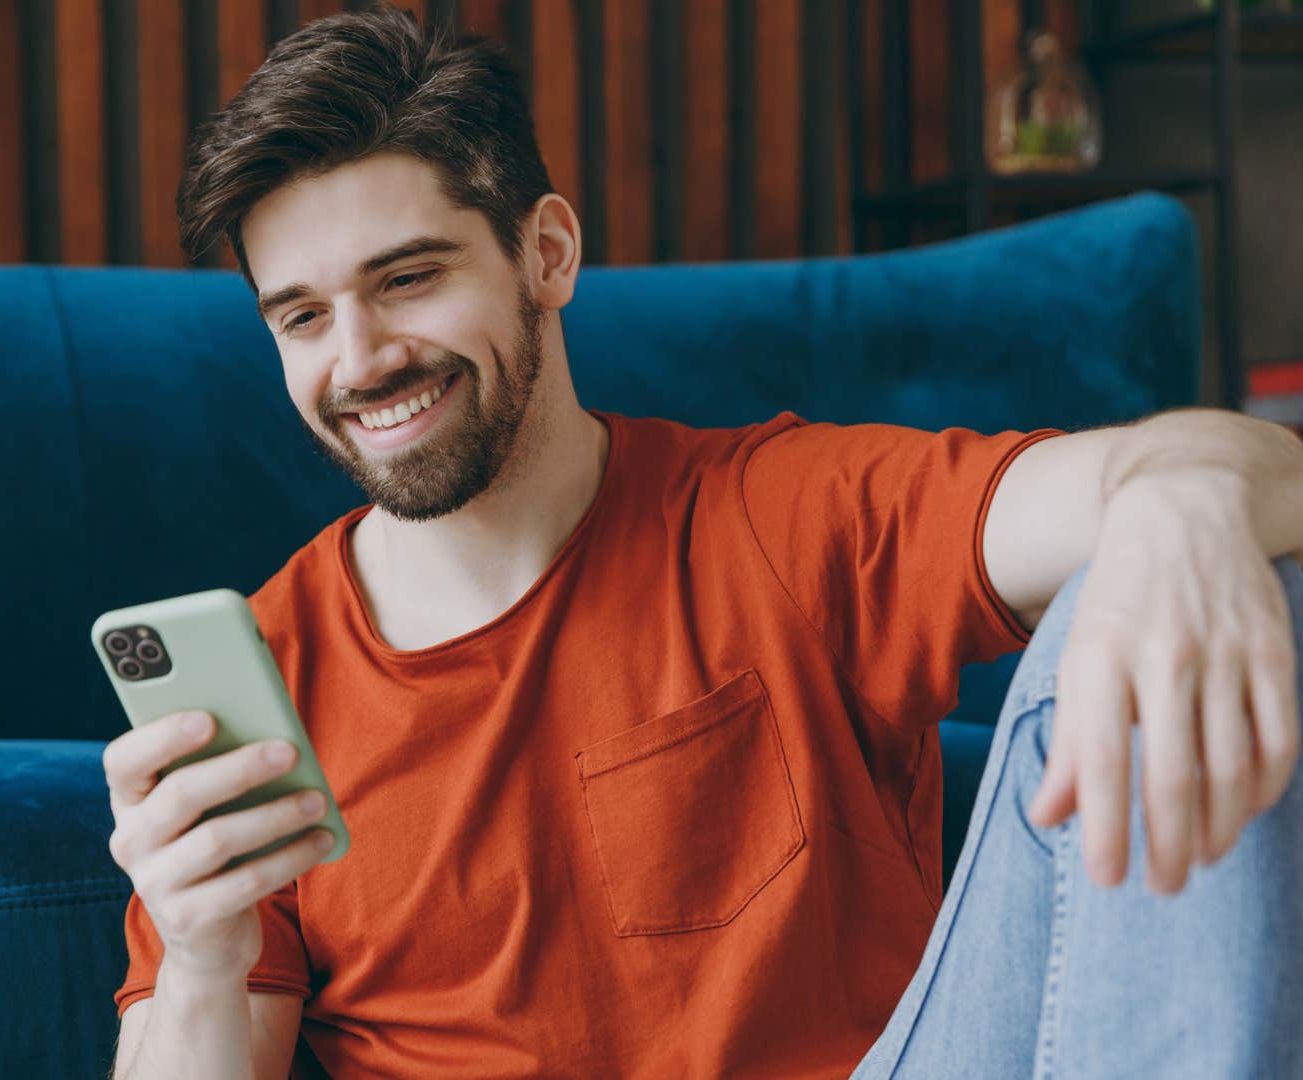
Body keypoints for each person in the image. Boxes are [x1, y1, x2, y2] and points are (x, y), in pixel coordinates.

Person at [100, 6, 1303, 1077]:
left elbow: (1248, 468)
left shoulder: (774, 515)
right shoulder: (261, 687)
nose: (358, 361)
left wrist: (1182, 516)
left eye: (408, 279)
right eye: (302, 317)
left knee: (1157, 572)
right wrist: (203, 955)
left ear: (547, 253)